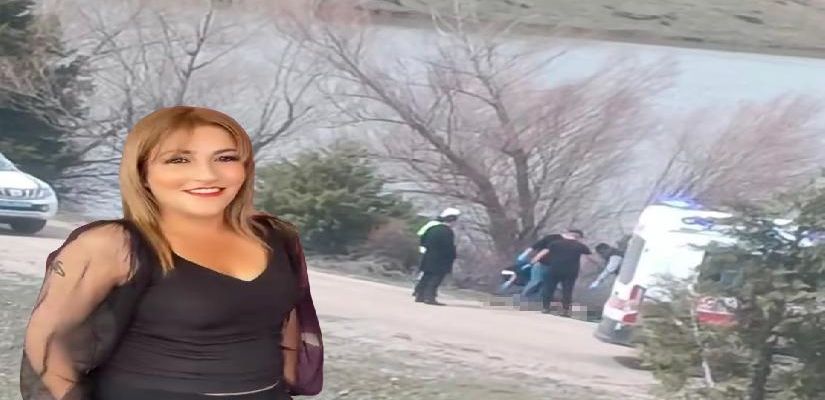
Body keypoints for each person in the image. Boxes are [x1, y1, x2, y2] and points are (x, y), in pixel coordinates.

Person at [20, 106, 323, 400]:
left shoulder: (276, 236)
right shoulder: (112, 244)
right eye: (178, 160)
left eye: (226, 158)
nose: (207, 175)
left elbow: (286, 327)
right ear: (142, 172)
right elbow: (47, 341)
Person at [532, 229, 591, 317]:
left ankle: (546, 308)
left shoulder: (555, 243)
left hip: (554, 269)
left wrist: (534, 260)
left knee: (549, 288)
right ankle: (565, 310)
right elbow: (588, 257)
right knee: (567, 291)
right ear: (578, 237)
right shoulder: (580, 246)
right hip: (570, 271)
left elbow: (544, 252)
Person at [413, 207, 460, 305]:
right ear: (451, 220)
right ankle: (430, 297)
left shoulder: (432, 228)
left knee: (426, 276)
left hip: (428, 255)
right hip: (440, 259)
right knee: (435, 278)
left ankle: (420, 295)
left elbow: (423, 240)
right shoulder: (447, 231)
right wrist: (453, 256)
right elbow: (448, 247)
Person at [516, 233, 563, 299]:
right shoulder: (553, 239)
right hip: (542, 263)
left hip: (551, 265)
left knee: (544, 283)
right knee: (536, 281)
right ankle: (523, 296)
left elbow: (534, 247)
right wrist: (528, 257)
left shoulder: (555, 240)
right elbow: (537, 248)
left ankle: (538, 298)